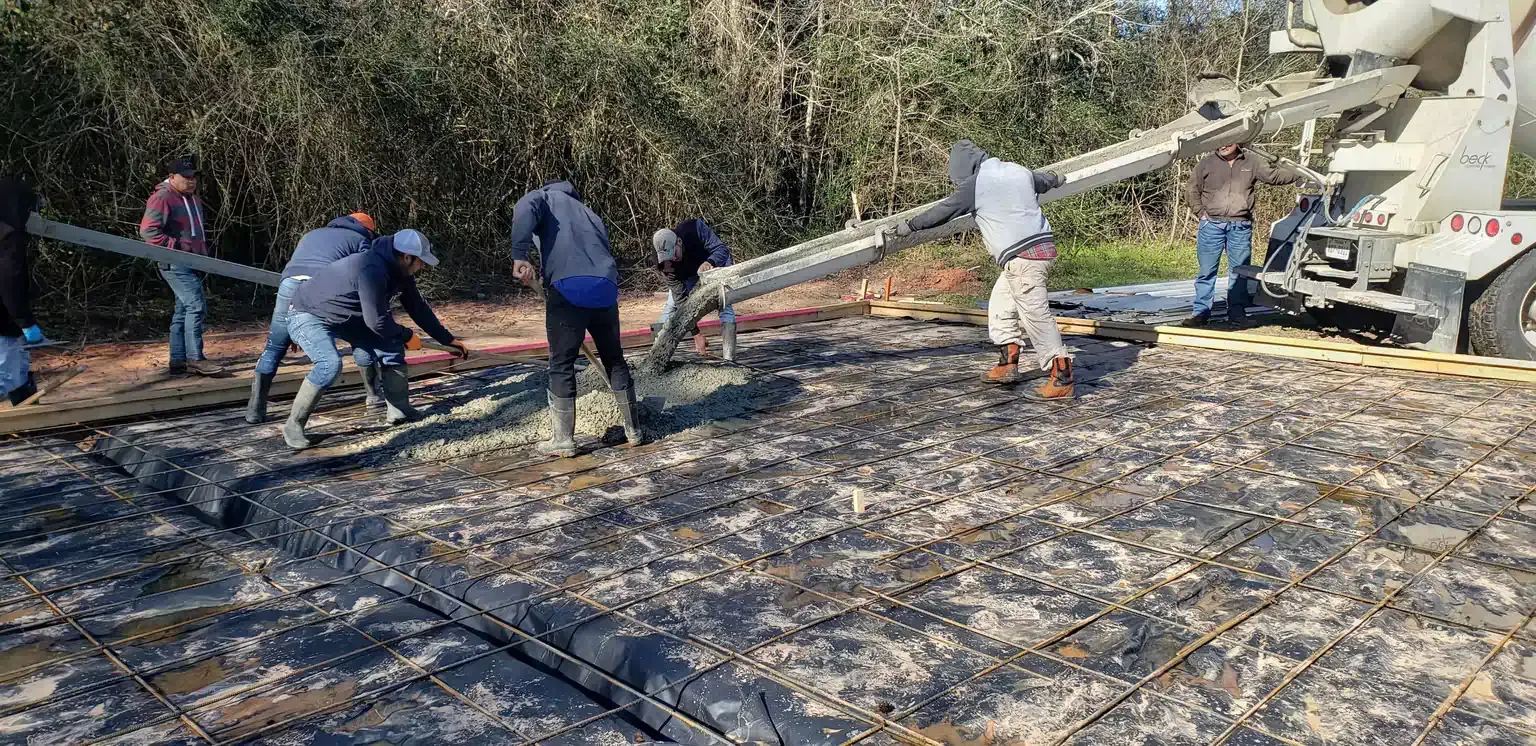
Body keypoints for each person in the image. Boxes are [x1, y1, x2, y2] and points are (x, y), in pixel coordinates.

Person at [888, 140, 1073, 399]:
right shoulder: (1017, 170)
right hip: (1035, 251)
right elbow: (1043, 180)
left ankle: (1061, 377)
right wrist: (1057, 178)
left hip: (1023, 257)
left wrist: (910, 226)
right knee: (1000, 305)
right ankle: (1008, 362)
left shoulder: (976, 184)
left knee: (1035, 316)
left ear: (964, 169)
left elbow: (943, 212)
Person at [281, 229, 469, 449]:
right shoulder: (372, 268)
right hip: (308, 312)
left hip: (348, 317)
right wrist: (407, 336)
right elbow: (377, 322)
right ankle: (293, 425)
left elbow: (418, 308)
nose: (423, 267)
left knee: (390, 344)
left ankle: (400, 411)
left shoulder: (402, 273)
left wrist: (447, 340)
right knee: (329, 364)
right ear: (407, 257)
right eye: (421, 262)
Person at [510, 179, 640, 456]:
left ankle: (563, 440)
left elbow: (524, 207)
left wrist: (519, 255)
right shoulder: (590, 214)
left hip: (568, 289)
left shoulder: (543, 198)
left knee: (561, 363)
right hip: (605, 289)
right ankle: (634, 430)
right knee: (614, 359)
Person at [244, 212, 378, 424]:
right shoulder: (361, 241)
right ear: (368, 231)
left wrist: (297, 325)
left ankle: (255, 410)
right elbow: (363, 275)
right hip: (321, 289)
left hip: (289, 285)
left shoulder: (312, 234)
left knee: (274, 347)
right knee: (360, 337)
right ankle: (373, 396)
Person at [1185, 142, 1300, 326]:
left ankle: (1237, 314)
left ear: (1238, 141)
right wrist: (1201, 213)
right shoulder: (1206, 163)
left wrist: (1301, 170)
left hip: (1240, 226)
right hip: (1211, 226)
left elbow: (1275, 176)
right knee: (1207, 271)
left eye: (1228, 141)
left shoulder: (1252, 161)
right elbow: (1191, 189)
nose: (1223, 145)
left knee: (1238, 272)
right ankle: (1201, 313)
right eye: (1220, 141)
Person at [140, 156, 224, 376]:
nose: (191, 181)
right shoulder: (162, 198)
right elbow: (148, 231)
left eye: (194, 176)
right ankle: (196, 358)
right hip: (175, 262)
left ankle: (178, 360)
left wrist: (201, 255)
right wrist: (176, 247)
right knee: (196, 306)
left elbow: (196, 232)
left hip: (192, 262)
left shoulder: (192, 198)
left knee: (183, 310)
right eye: (186, 177)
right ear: (171, 177)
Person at [651, 219, 736, 360]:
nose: (671, 259)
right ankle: (657, 359)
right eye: (667, 257)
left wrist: (710, 263)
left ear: (679, 241)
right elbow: (681, 300)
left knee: (724, 302)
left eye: (674, 254)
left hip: (713, 264)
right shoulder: (663, 262)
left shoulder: (694, 229)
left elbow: (722, 250)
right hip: (688, 274)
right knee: (671, 307)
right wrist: (696, 335)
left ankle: (729, 357)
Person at [0, 177, 43, 405]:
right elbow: (10, 282)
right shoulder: (7, 237)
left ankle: (27, 412)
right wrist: (25, 322)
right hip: (4, 323)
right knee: (9, 373)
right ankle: (26, 422)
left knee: (16, 371)